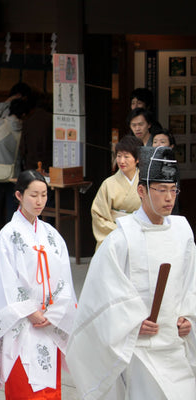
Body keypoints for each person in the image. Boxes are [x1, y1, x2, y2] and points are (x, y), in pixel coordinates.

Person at [67, 146, 196, 399]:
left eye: (173, 189)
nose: (169, 197)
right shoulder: (122, 238)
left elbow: (191, 281)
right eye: (161, 190)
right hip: (140, 348)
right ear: (142, 191)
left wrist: (188, 316)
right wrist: (132, 323)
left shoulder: (183, 231)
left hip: (175, 344)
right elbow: (102, 296)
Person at [0, 170, 77, 399]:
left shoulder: (52, 235)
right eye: (33, 195)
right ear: (18, 195)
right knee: (25, 388)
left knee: (49, 389)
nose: (39, 201)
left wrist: (53, 312)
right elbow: (3, 280)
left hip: (49, 321)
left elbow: (64, 277)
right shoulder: (8, 235)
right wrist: (29, 311)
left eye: (44, 195)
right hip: (22, 324)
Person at [91, 135, 143, 249]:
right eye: (119, 156)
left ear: (137, 158)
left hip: (140, 233)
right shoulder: (108, 184)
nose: (121, 161)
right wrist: (120, 230)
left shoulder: (145, 183)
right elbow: (98, 215)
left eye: (126, 156)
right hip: (115, 234)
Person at [0, 99, 29, 231]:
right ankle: (11, 235)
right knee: (12, 208)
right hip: (14, 174)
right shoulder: (24, 128)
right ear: (24, 114)